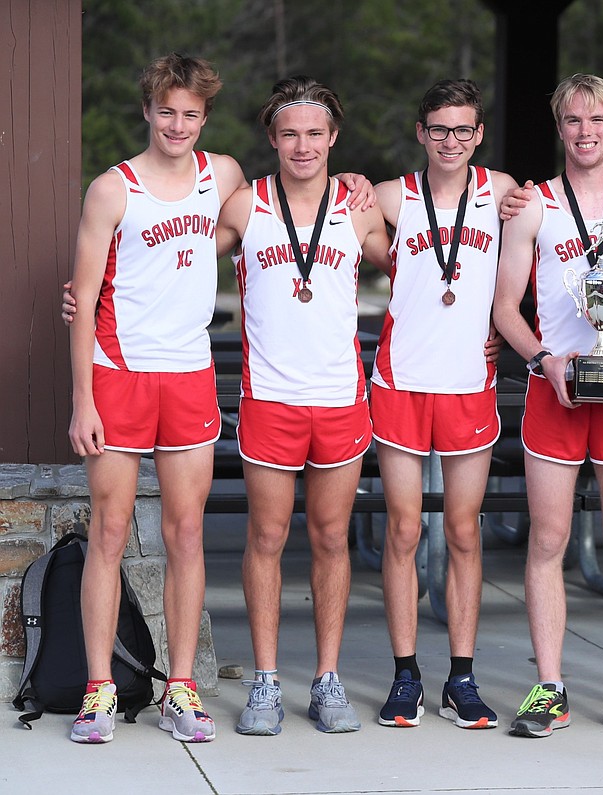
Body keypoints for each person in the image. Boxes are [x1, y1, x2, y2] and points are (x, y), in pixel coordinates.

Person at [66, 53, 249, 745]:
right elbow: (81, 300)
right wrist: (83, 399)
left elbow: (264, 218)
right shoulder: (113, 189)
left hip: (188, 372)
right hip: (119, 371)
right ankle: (99, 691)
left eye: (191, 114)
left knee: (187, 532)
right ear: (147, 111)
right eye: (167, 111)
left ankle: (181, 688)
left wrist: (348, 184)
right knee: (110, 533)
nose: (178, 124)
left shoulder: (221, 173)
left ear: (205, 117)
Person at [492, 73, 603, 739]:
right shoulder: (534, 205)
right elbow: (505, 308)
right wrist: (545, 360)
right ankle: (550, 685)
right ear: (560, 127)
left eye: (597, 121)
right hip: (556, 392)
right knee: (547, 539)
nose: (585, 132)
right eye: (573, 121)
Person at [215, 76, 391, 736]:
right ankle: (264, 679)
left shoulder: (358, 206)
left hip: (340, 398)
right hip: (270, 399)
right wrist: (93, 289)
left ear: (333, 137)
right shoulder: (244, 205)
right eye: (290, 132)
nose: (303, 144)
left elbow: (414, 264)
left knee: (328, 538)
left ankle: (325, 677)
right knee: (266, 537)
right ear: (272, 137)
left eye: (315, 133)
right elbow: (173, 262)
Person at [370, 79, 516, 730]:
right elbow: (326, 232)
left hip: (468, 380)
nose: (451, 141)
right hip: (402, 379)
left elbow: (580, 204)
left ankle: (462, 675)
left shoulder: (504, 193)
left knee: (462, 531)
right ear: (421, 133)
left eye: (463, 130)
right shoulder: (386, 197)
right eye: (439, 129)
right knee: (403, 530)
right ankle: (406, 675)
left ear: (478, 134)